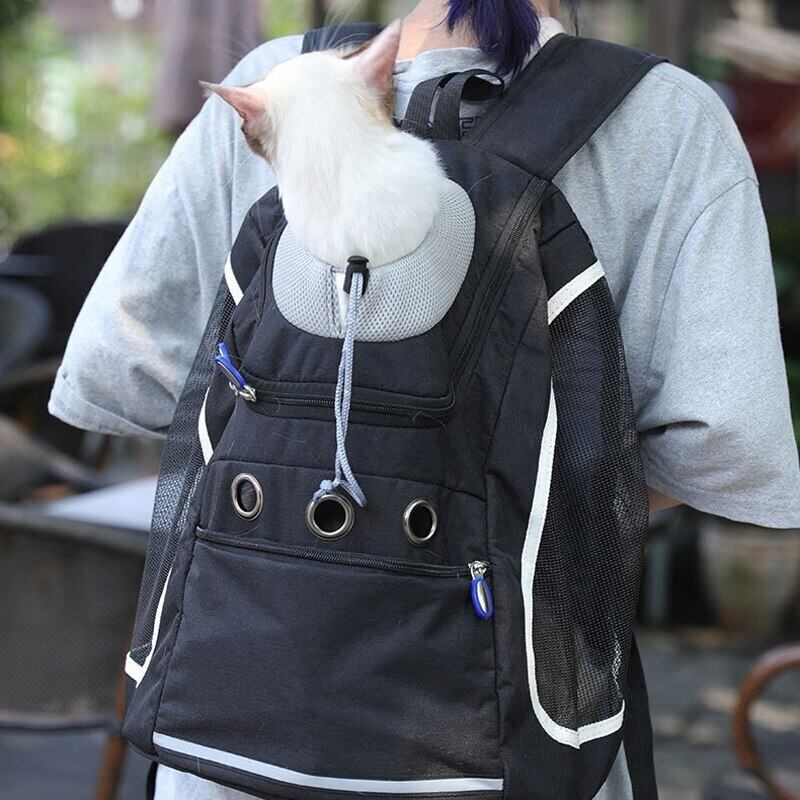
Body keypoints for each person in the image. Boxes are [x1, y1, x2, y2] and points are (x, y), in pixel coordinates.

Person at [50, 0, 800, 797]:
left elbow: (120, 369)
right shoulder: (666, 118)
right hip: (501, 734)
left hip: (233, 726)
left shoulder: (269, 87)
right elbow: (725, 449)